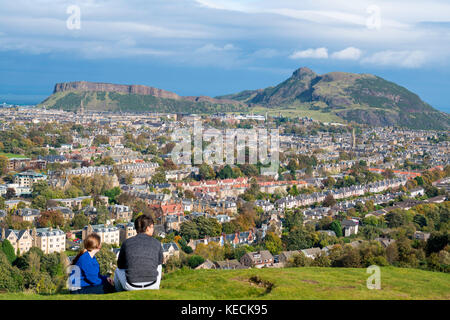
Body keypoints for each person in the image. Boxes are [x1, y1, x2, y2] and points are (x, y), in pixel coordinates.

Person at [114, 214, 163, 291]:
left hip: (131, 286)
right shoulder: (157, 243)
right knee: (159, 265)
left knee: (117, 270)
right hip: (153, 285)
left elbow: (120, 265)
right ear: (147, 228)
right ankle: (156, 288)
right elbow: (159, 263)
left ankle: (119, 294)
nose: (153, 230)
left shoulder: (126, 243)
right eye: (152, 227)